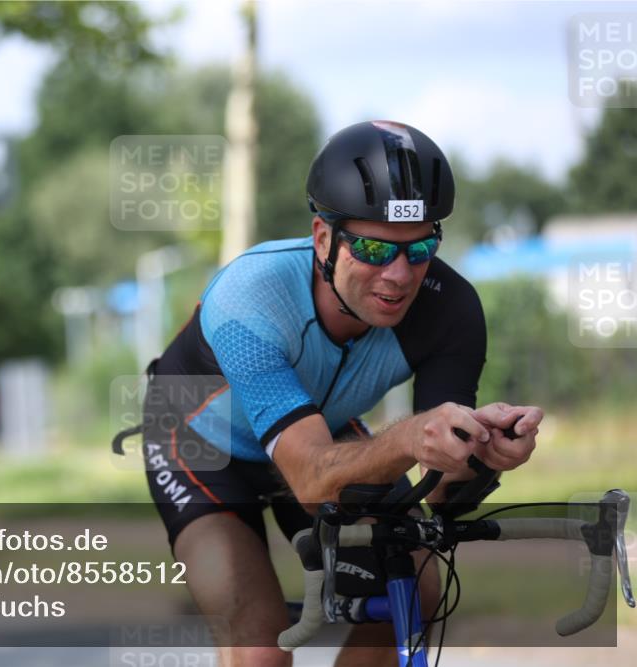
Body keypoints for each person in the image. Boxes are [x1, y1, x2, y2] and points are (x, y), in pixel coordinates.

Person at [136, 120, 543, 667]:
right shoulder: (251, 296)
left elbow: (442, 497)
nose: (398, 275)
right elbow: (309, 479)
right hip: (200, 444)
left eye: (419, 246)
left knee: (419, 587)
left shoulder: (451, 310)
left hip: (318, 432)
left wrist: (482, 453)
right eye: (374, 248)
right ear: (324, 239)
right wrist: (409, 439)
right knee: (260, 643)